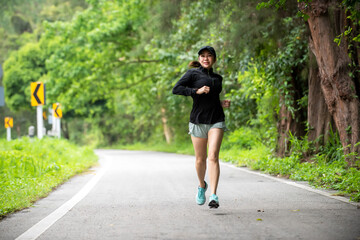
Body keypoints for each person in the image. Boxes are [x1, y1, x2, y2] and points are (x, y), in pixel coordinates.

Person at [172, 46, 230, 209]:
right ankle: (201, 186)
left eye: (209, 56)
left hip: (216, 120)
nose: (206, 58)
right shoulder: (192, 74)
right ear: (199, 59)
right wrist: (195, 91)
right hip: (197, 121)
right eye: (202, 56)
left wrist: (221, 103)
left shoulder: (218, 78)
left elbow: (211, 99)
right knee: (200, 159)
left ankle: (214, 195)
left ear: (214, 59)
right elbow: (176, 89)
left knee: (213, 156)